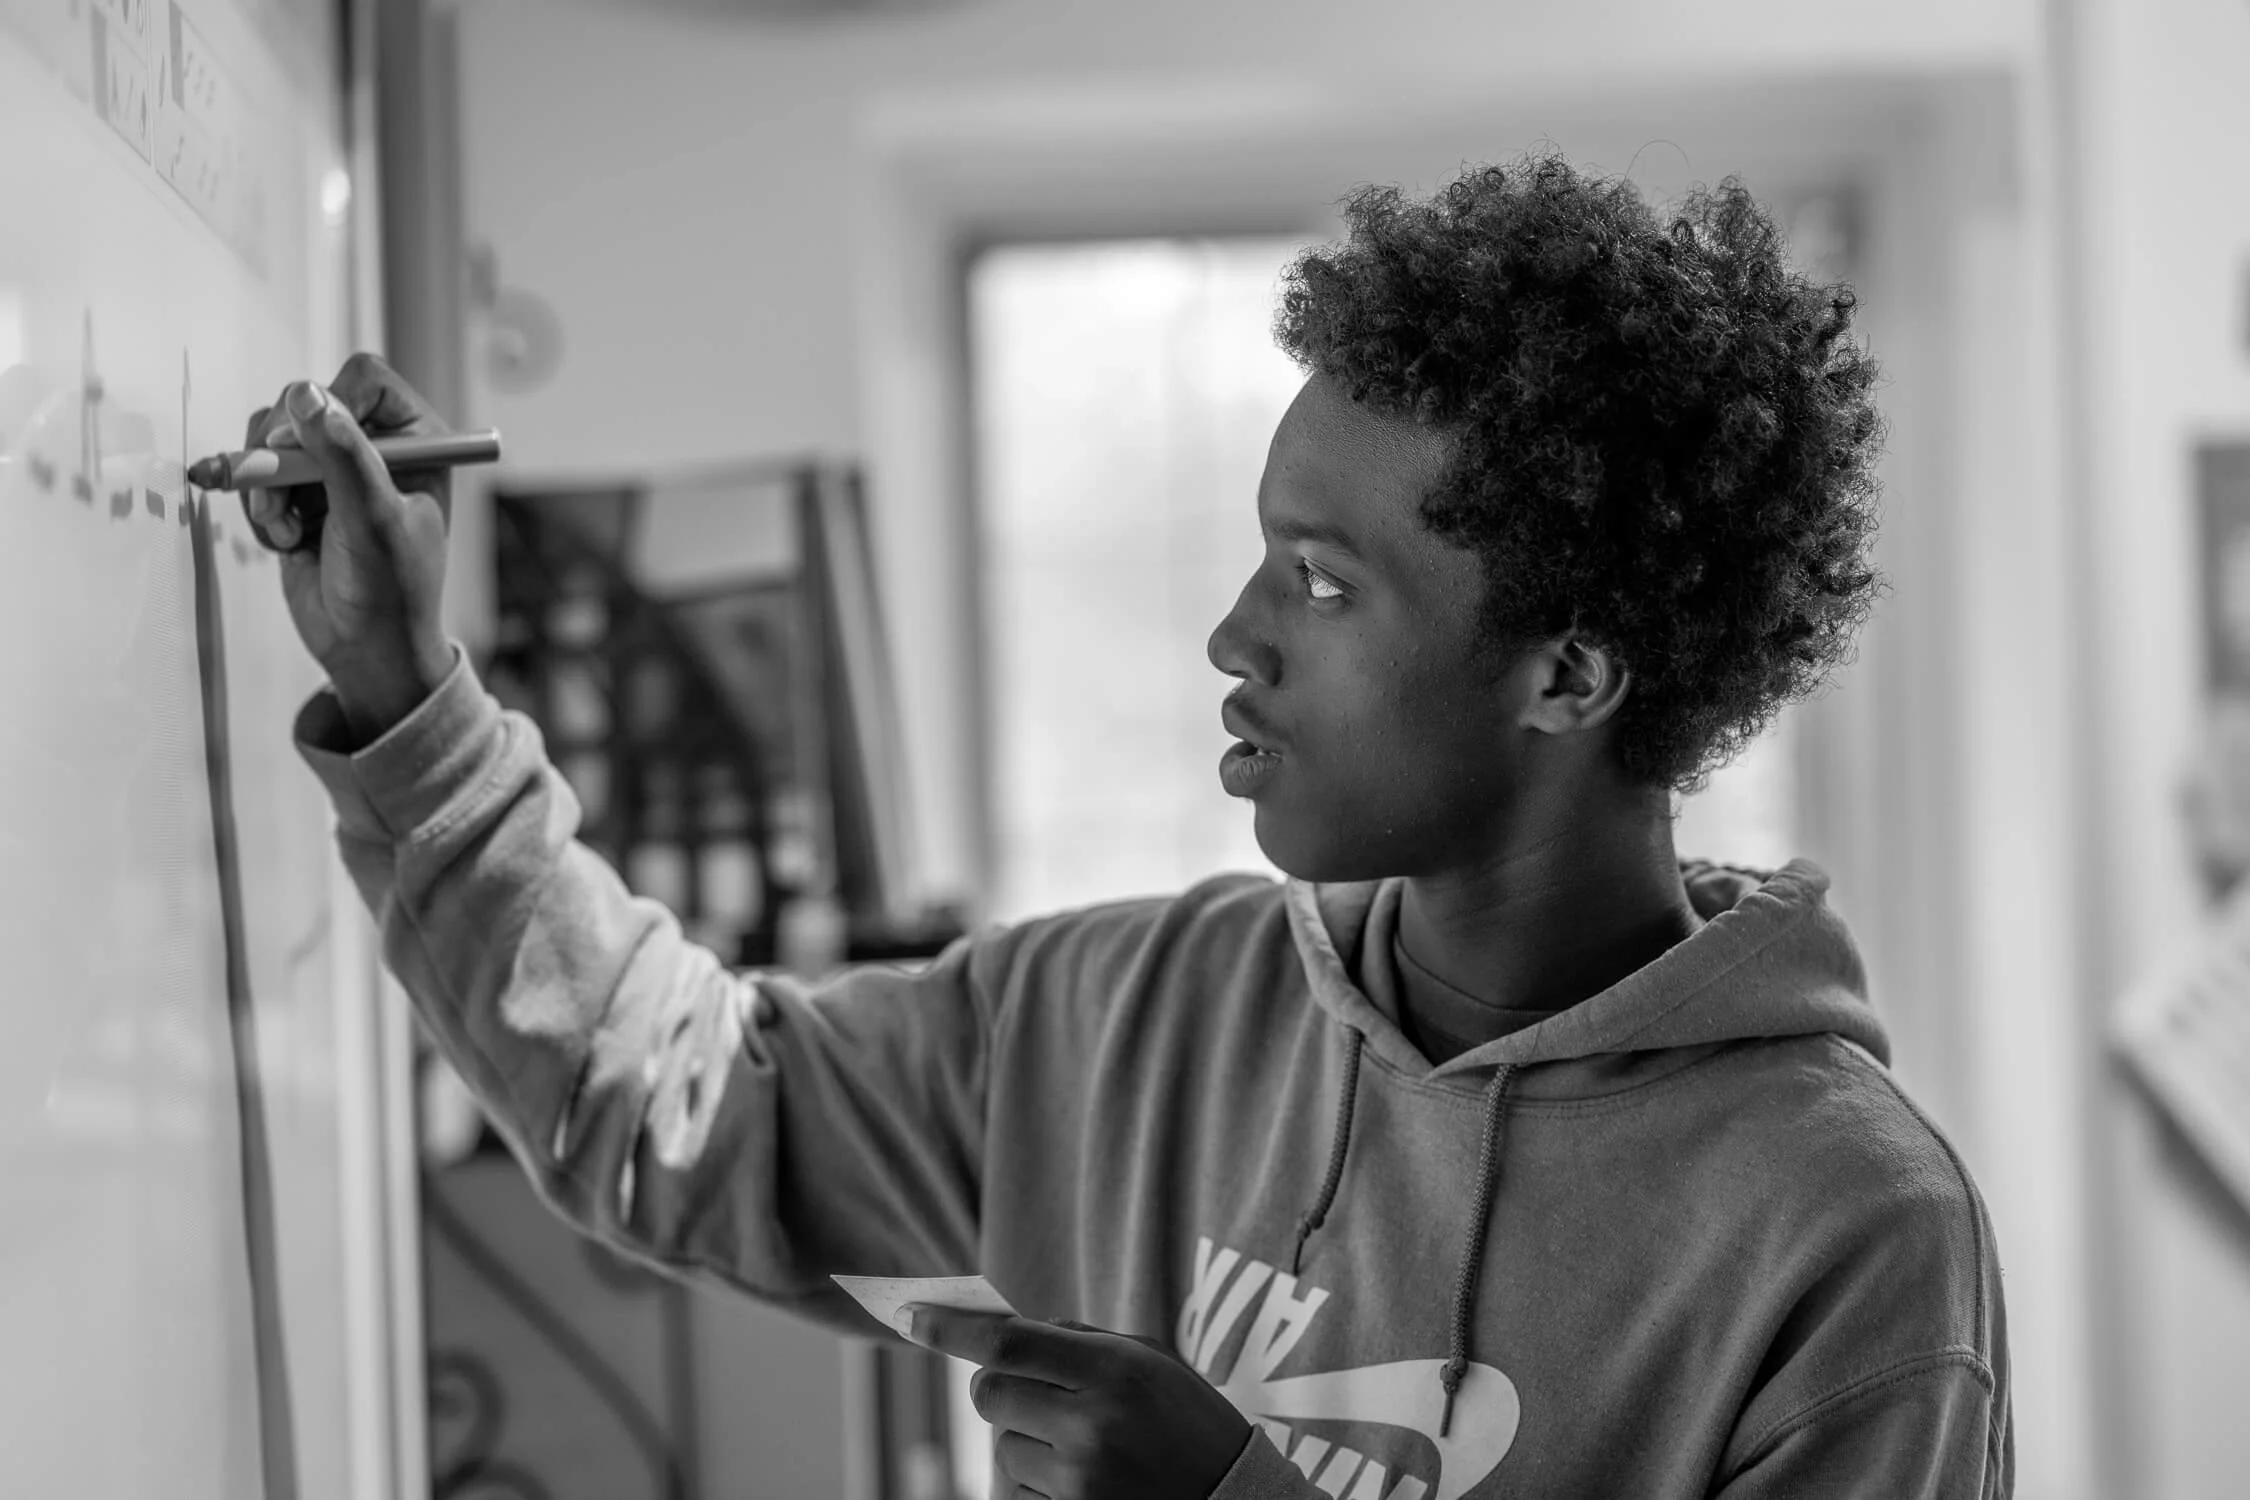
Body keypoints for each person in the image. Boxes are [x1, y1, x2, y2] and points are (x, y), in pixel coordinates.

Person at [245, 154, 2011, 1499]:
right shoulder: (1137, 1013)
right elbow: (680, 1106)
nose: (1234, 635)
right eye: (1261, 549)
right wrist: (414, 705)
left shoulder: (1844, 1237)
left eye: (1321, 583)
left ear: (1569, 675)